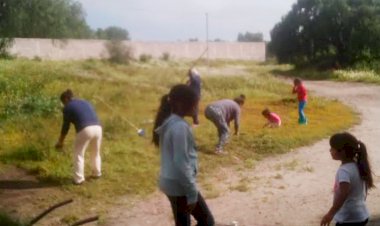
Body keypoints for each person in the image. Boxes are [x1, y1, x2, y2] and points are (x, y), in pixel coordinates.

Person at [153, 84, 215, 226]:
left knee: (182, 222)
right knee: (207, 222)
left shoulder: (169, 121)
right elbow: (181, 163)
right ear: (181, 104)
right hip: (179, 185)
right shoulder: (180, 127)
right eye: (194, 104)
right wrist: (192, 193)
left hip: (169, 181)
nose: (197, 108)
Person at [321, 132, 374, 226]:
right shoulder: (358, 166)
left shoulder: (344, 171)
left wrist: (330, 214)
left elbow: (343, 194)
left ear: (342, 151)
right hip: (361, 215)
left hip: (349, 218)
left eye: (332, 148)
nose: (330, 150)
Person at [55, 89, 102, 185]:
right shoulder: (85, 102)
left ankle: (79, 179)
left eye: (63, 102)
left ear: (66, 99)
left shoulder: (67, 107)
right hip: (98, 128)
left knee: (79, 154)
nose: (63, 104)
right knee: (95, 152)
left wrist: (60, 141)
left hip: (85, 129)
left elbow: (65, 127)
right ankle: (97, 173)